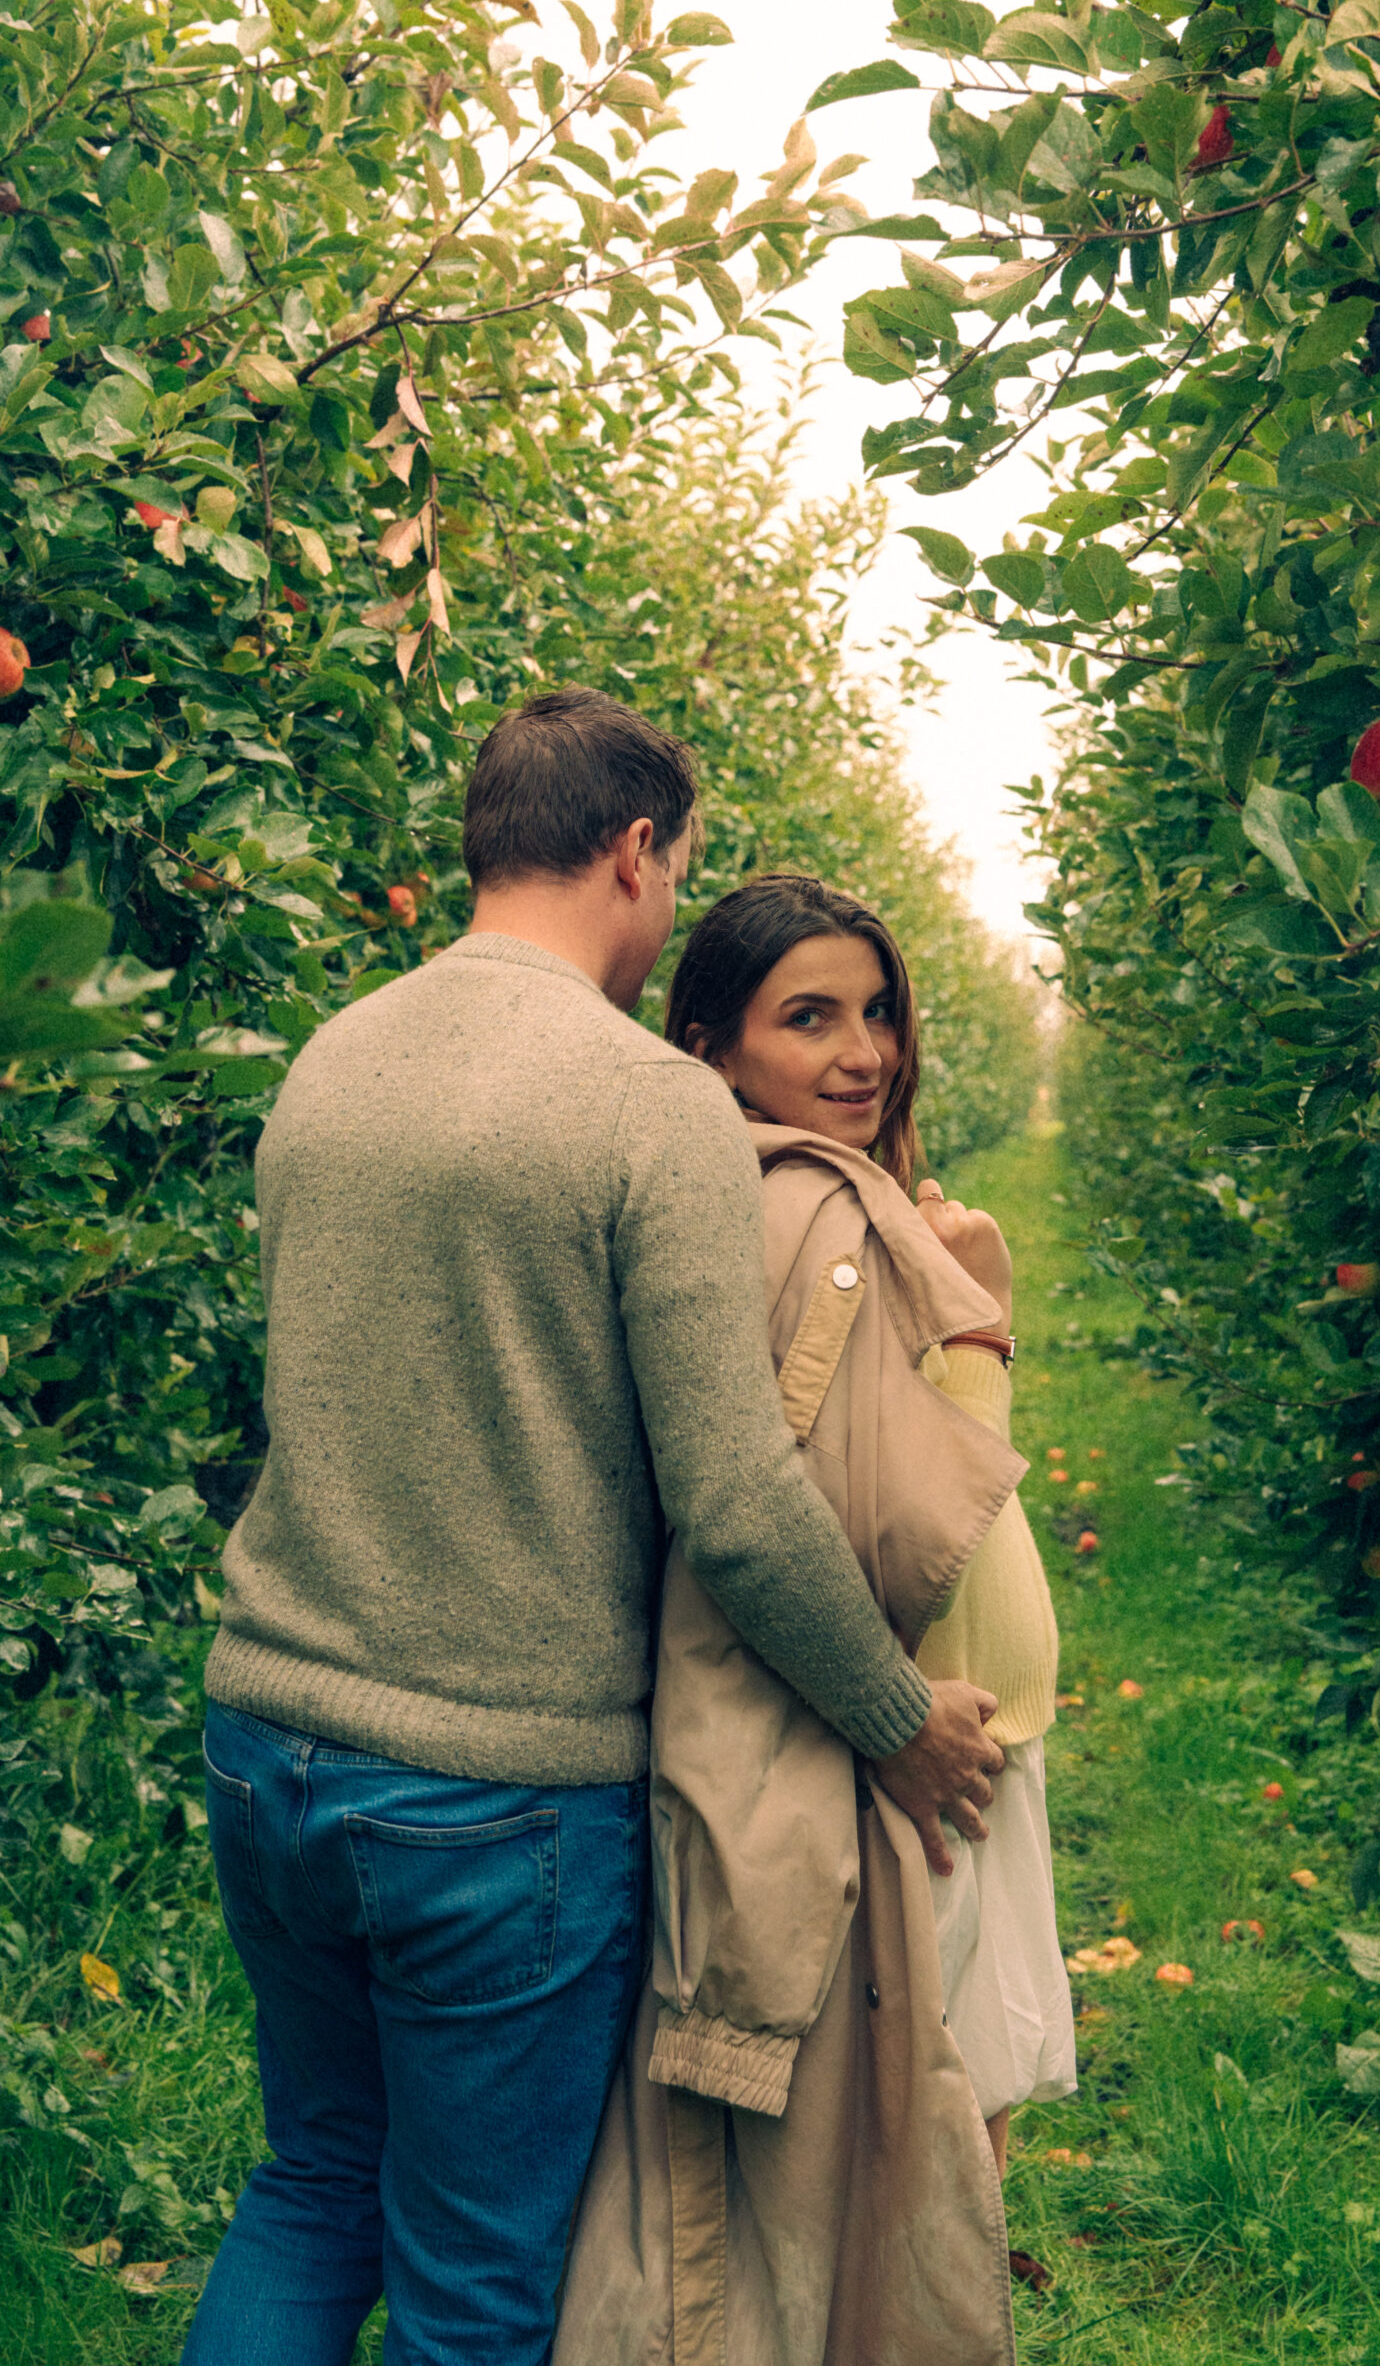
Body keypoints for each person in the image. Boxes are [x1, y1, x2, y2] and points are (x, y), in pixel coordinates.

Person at [182, 694, 1005, 2366]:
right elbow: (741, 1500)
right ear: (639, 851)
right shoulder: (648, 1104)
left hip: (267, 1738)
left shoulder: (335, 1059)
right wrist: (894, 1717)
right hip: (492, 1797)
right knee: (478, 2283)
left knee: (315, 2184)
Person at [556, 873, 1073, 2366]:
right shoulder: (796, 1212)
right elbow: (852, 1521)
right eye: (811, 1019)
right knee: (913, 2137)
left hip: (962, 1731)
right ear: (711, 1048)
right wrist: (980, 1328)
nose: (866, 1053)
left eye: (879, 1013)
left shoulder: (856, 1208)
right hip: (900, 1739)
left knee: (952, 2115)